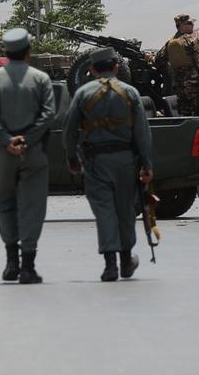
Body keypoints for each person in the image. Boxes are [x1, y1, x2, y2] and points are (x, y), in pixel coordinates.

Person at [64, 47, 153, 282]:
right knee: (125, 210)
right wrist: (146, 165)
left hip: (95, 162)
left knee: (104, 211)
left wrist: (72, 159)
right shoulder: (130, 93)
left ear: (92, 69)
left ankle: (110, 265)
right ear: (116, 67)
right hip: (125, 161)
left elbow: (69, 131)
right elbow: (142, 134)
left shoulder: (82, 93)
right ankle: (126, 260)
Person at [0, 28, 56, 284]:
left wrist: (6, 140)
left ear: (5, 52)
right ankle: (28, 267)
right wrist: (27, 139)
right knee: (32, 206)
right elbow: (48, 115)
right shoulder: (41, 79)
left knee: (5, 203)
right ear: (28, 52)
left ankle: (11, 262)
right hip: (32, 152)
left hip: (4, 153)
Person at [154, 14, 199, 116]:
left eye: (192, 23)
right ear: (181, 26)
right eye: (189, 23)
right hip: (194, 86)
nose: (192, 25)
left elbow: (158, 60)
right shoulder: (192, 41)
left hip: (179, 87)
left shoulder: (170, 43)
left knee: (183, 114)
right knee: (195, 115)